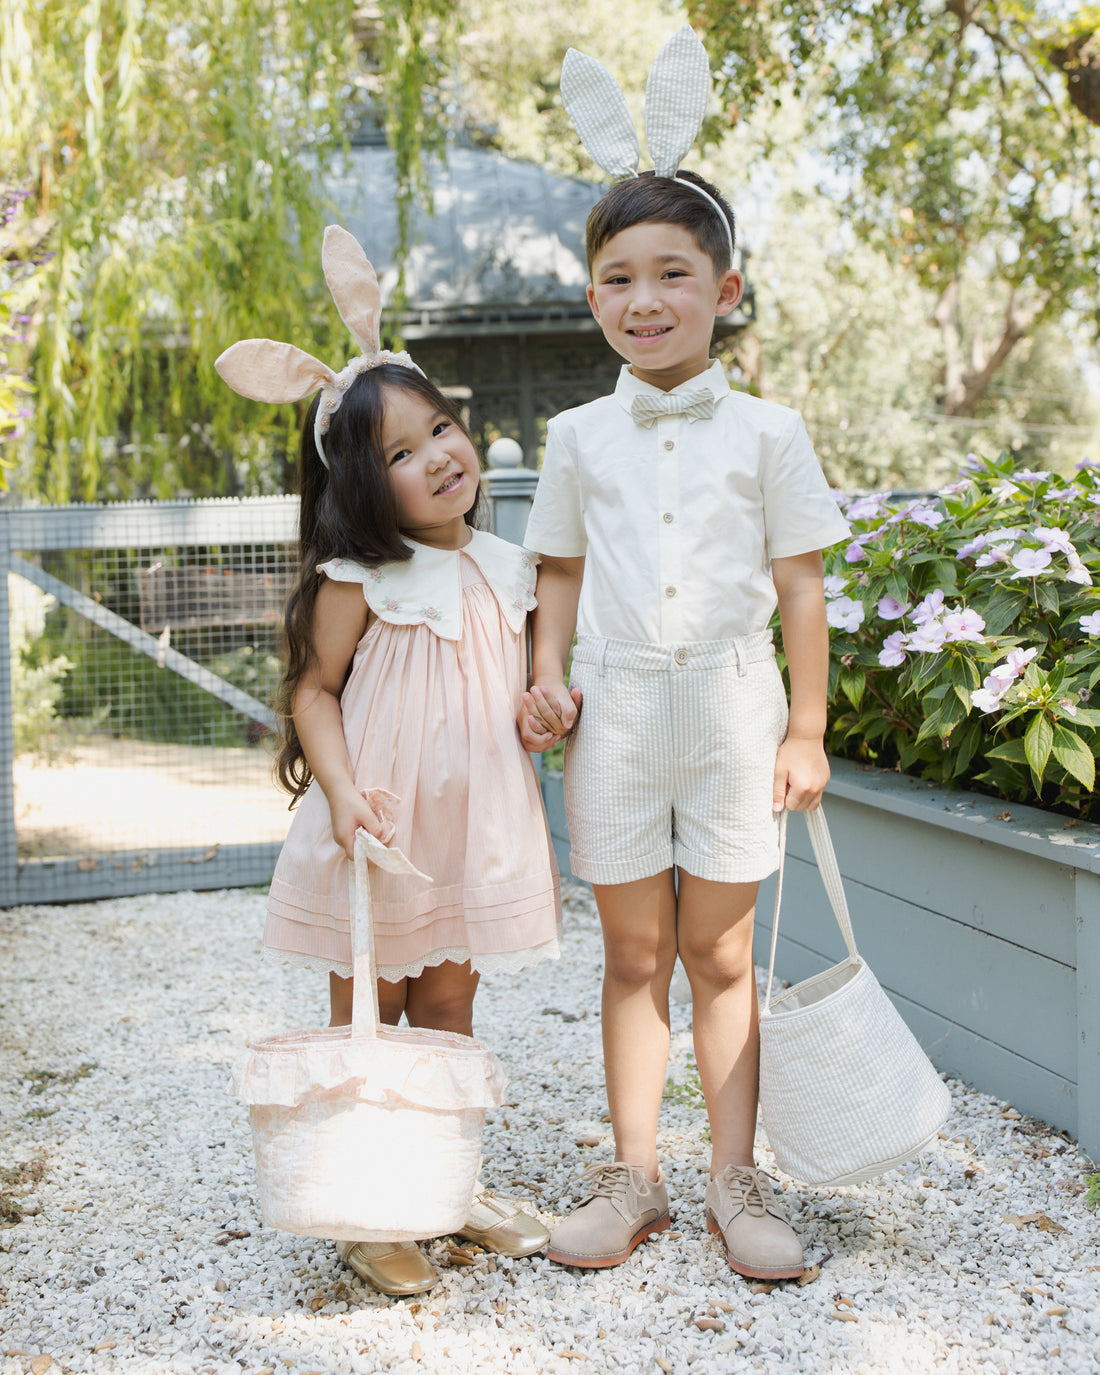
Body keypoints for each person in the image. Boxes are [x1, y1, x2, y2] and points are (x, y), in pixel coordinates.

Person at [519, 29, 850, 1281]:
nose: (643, 299)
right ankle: (632, 1177)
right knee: (630, 954)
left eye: (671, 273)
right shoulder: (573, 437)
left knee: (718, 954)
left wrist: (805, 727)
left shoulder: (769, 431)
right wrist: (545, 680)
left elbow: (799, 585)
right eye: (616, 277)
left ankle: (733, 1179)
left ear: (724, 289)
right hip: (610, 711)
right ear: (590, 297)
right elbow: (556, 575)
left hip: (729, 708)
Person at [216, 226, 560, 1297]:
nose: (438, 456)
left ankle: (444, 1185)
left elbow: (516, 689)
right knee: (369, 1016)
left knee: (450, 1014)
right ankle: (366, 1204)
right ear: (365, 488)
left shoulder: (508, 566)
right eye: (400, 455)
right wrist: (338, 791)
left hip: (471, 834)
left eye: (440, 428)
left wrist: (546, 709)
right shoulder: (357, 575)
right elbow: (314, 690)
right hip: (382, 828)